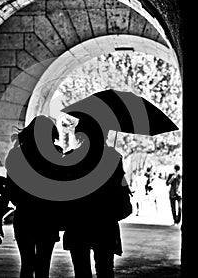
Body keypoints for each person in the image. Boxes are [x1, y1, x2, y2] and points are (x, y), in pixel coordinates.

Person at [0, 115, 64, 278]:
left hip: (25, 215)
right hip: (48, 216)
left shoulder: (17, 155)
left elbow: (8, 191)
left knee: (27, 264)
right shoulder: (57, 155)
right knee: (43, 266)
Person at [62, 114, 131, 278]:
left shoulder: (71, 158)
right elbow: (121, 189)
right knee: (105, 270)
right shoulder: (113, 158)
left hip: (78, 221)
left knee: (81, 271)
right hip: (104, 221)